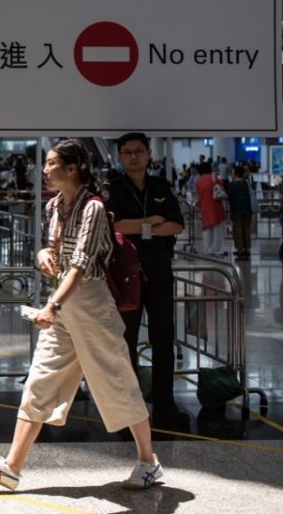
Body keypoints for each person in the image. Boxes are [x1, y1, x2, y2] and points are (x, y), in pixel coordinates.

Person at [0, 139, 161, 491]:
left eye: (52, 163)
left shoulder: (94, 208)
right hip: (63, 302)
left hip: (90, 304)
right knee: (40, 380)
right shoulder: (55, 205)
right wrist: (44, 253)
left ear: (72, 169)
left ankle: (148, 462)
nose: (44, 169)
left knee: (116, 381)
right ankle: (11, 467)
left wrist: (52, 305)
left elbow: (81, 265)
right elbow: (58, 252)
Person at [104, 132, 188, 427]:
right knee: (125, 340)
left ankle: (165, 405)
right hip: (125, 274)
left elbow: (176, 225)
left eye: (139, 151)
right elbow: (113, 226)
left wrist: (139, 229)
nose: (134, 157)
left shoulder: (161, 185)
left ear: (149, 153)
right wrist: (151, 222)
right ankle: (130, 408)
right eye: (127, 152)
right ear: (120, 156)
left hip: (159, 269)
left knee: (163, 338)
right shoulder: (111, 188)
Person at [195, 161, 227, 257]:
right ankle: (218, 249)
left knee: (207, 230)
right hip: (216, 207)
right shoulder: (214, 178)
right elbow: (222, 190)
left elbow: (198, 197)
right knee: (218, 230)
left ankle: (207, 249)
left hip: (204, 207)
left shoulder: (199, 181)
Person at [226, 166, 254, 260]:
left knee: (237, 228)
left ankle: (240, 249)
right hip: (247, 209)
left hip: (236, 209)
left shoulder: (232, 184)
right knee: (246, 228)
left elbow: (228, 195)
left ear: (236, 173)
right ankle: (247, 248)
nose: (231, 173)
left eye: (232, 171)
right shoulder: (246, 183)